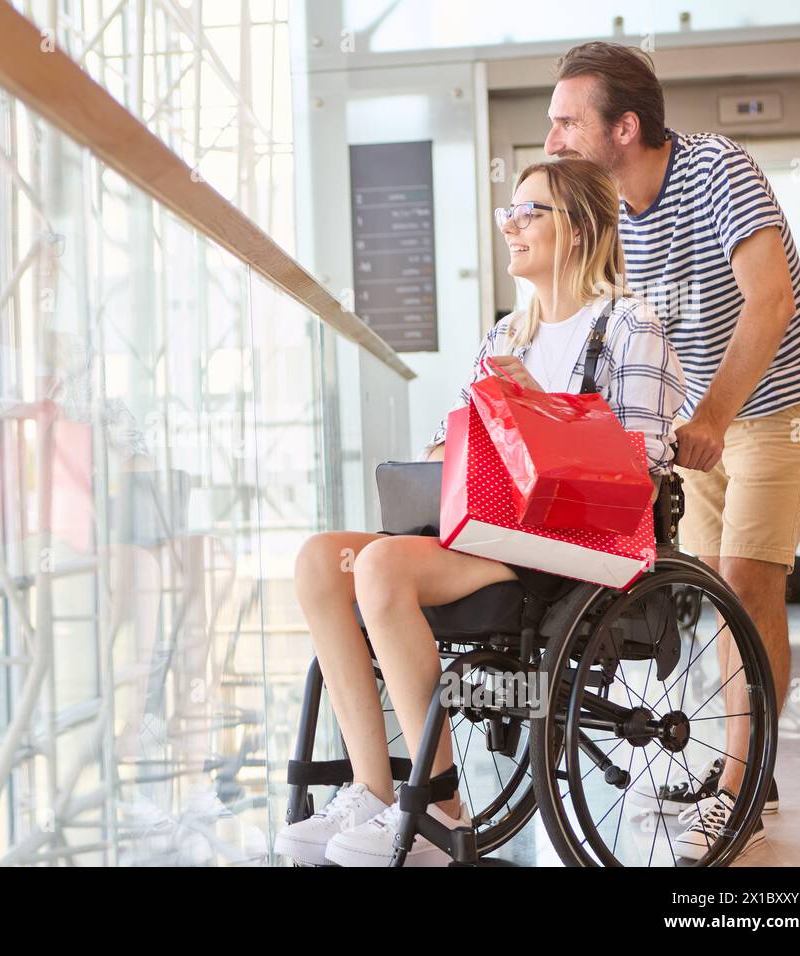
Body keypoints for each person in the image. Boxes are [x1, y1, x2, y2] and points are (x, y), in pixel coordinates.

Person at [274, 158, 685, 867]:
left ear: (581, 228)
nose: (511, 226)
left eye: (530, 212)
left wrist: (546, 413)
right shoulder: (506, 338)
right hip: (494, 532)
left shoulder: (629, 326)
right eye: (509, 213)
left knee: (379, 566)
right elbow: (463, 442)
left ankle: (436, 802)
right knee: (320, 560)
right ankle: (373, 790)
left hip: (574, 548)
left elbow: (640, 473)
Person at [544, 41, 800, 858]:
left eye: (568, 121)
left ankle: (743, 789)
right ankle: (741, 761)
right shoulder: (606, 215)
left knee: (748, 586)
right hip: (701, 415)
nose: (554, 138)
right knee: (709, 605)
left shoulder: (717, 172)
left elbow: (768, 303)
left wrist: (711, 415)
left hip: (777, 403)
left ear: (624, 126)